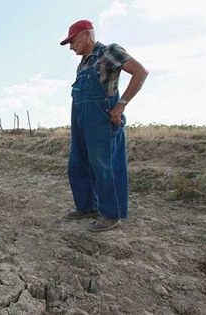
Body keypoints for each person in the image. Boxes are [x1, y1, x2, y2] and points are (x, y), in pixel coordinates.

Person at [60, 20, 148, 232]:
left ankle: (111, 215)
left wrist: (121, 105)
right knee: (78, 163)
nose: (71, 47)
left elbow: (141, 72)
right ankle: (87, 207)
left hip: (101, 118)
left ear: (87, 34)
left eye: (73, 41)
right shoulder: (83, 64)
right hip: (81, 118)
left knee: (104, 165)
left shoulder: (109, 52)